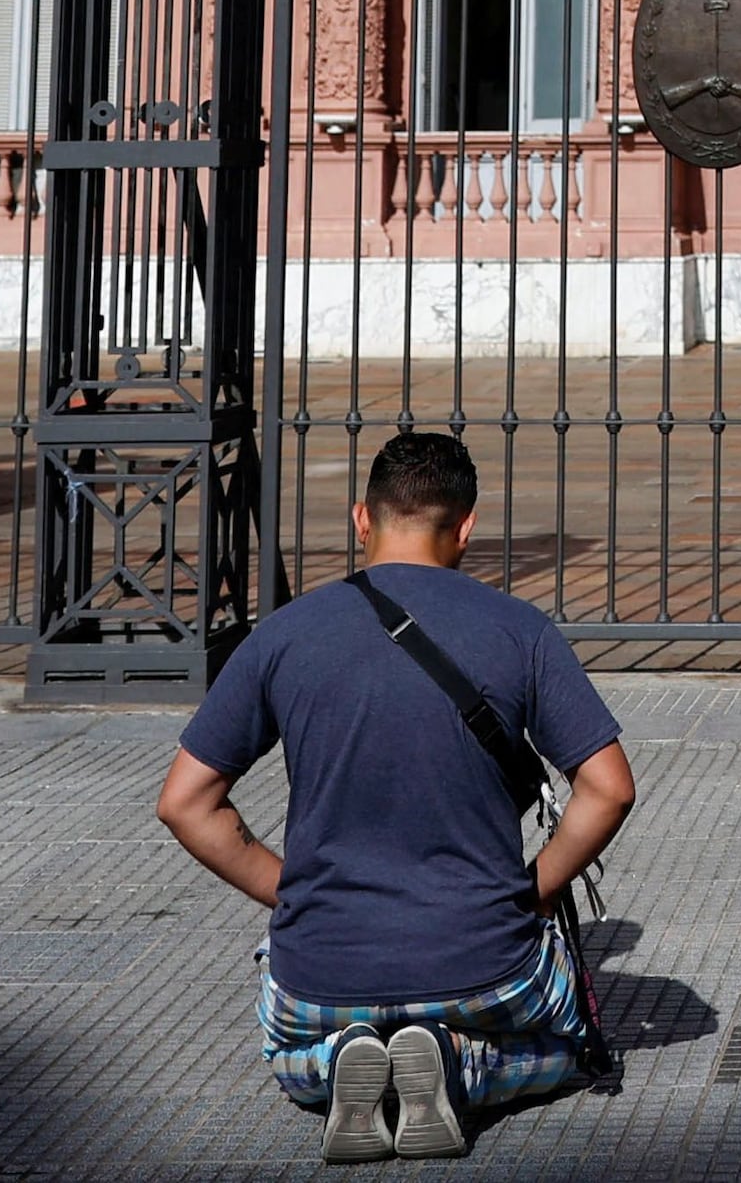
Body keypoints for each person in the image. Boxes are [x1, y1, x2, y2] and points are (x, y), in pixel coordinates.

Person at [159, 432, 639, 1161]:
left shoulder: (283, 634)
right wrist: (535, 888)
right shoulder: (520, 629)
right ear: (467, 527)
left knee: (288, 1052)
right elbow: (609, 787)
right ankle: (459, 1063)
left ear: (362, 518)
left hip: (323, 970)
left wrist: (293, 890)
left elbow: (185, 801)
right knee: (570, 1046)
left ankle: (333, 1060)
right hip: (484, 963)